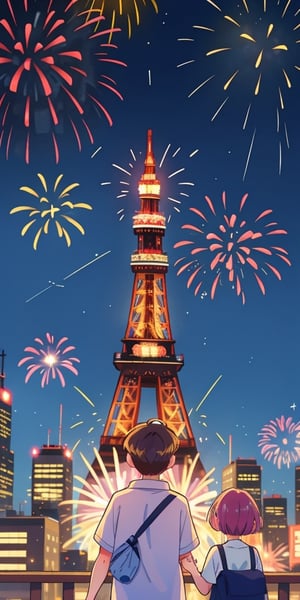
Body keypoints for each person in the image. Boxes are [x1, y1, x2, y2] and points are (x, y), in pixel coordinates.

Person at [85, 418, 199, 600]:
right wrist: (200, 580)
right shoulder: (179, 503)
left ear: (129, 459)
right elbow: (186, 557)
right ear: (171, 461)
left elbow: (104, 558)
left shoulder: (118, 501)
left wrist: (90, 597)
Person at [181, 488, 268, 597]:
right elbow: (261, 588)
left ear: (220, 518)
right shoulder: (253, 553)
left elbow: (204, 589)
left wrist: (192, 569)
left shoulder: (217, 552)